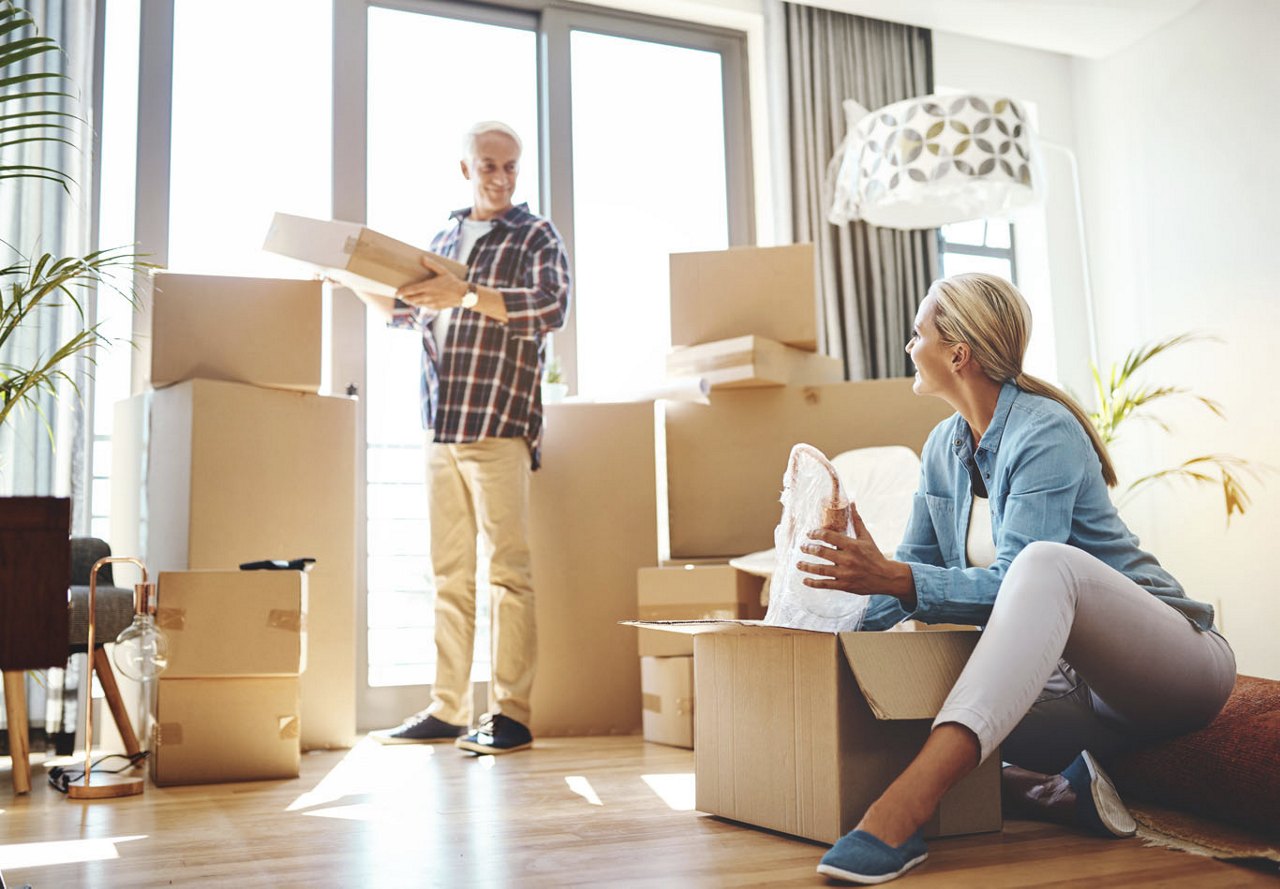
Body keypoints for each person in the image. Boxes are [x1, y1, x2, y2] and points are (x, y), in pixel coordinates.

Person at [796, 273, 1235, 883]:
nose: (908, 346)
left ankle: (901, 811)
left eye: (916, 332)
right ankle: (1045, 790)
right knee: (910, 691)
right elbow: (909, 578)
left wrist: (895, 578)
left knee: (1040, 563)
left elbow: (1007, 582)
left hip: (1173, 668)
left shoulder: (1044, 429)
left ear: (958, 353)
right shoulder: (941, 449)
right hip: (1073, 698)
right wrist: (821, 625)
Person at [362, 121, 571, 755]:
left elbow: (550, 306)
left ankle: (510, 713)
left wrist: (470, 293)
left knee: (508, 572)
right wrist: (348, 278)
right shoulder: (444, 238)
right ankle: (448, 708)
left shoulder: (536, 234)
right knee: (448, 574)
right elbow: (404, 311)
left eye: (510, 167)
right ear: (466, 169)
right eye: (488, 166)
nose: (501, 177)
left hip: (498, 423)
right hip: (442, 426)